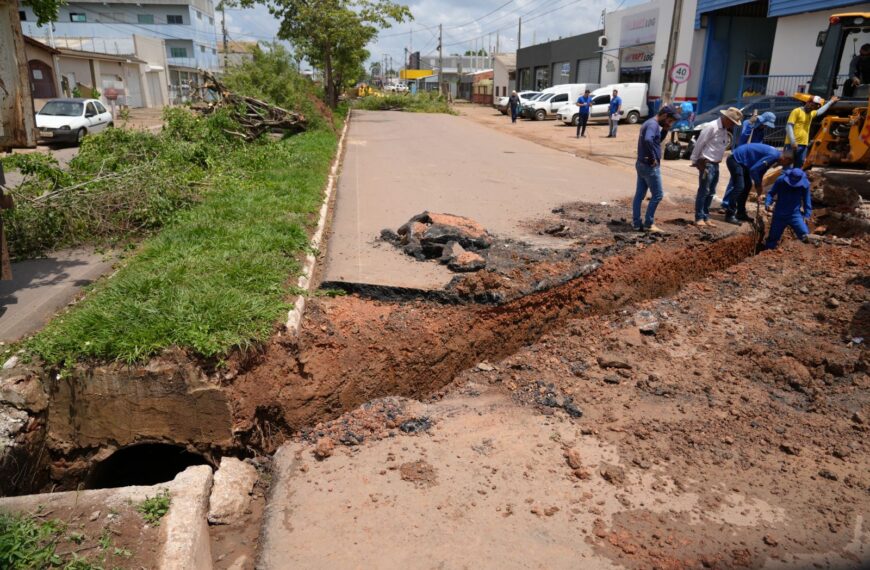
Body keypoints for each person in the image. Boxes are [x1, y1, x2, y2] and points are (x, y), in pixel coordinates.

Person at [691, 107, 744, 227]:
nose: (733, 125)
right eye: (732, 122)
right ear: (726, 118)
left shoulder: (724, 130)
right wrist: (694, 160)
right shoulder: (712, 127)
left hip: (715, 164)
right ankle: (699, 217)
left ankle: (705, 216)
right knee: (704, 191)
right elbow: (700, 143)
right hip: (707, 163)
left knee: (711, 192)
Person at [633, 105, 680, 233]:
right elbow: (648, 140)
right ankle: (649, 223)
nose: (670, 123)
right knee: (658, 195)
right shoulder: (653, 125)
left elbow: (655, 141)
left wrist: (665, 130)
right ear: (664, 115)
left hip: (641, 163)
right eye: (669, 121)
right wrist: (652, 157)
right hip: (649, 166)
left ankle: (636, 223)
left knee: (639, 195)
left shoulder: (649, 123)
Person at [724, 143, 793, 225]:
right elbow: (754, 170)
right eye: (787, 163)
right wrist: (758, 185)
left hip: (742, 163)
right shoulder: (773, 156)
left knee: (747, 185)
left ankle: (740, 213)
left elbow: (761, 171)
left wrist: (759, 188)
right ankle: (729, 214)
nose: (783, 166)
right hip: (735, 160)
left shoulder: (775, 156)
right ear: (786, 159)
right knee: (740, 186)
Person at [764, 167, 812, 249]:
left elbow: (807, 200)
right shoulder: (781, 180)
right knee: (773, 238)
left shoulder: (805, 184)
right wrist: (768, 203)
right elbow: (771, 193)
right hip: (779, 214)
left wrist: (807, 215)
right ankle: (767, 253)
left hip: (795, 214)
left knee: (805, 236)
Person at [785, 95, 839, 168]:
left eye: (815, 107)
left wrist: (831, 102)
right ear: (808, 102)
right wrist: (793, 141)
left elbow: (820, 111)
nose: (813, 107)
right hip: (791, 145)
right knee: (787, 166)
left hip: (803, 145)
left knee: (799, 166)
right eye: (813, 105)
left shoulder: (811, 113)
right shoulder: (797, 111)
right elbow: (789, 126)